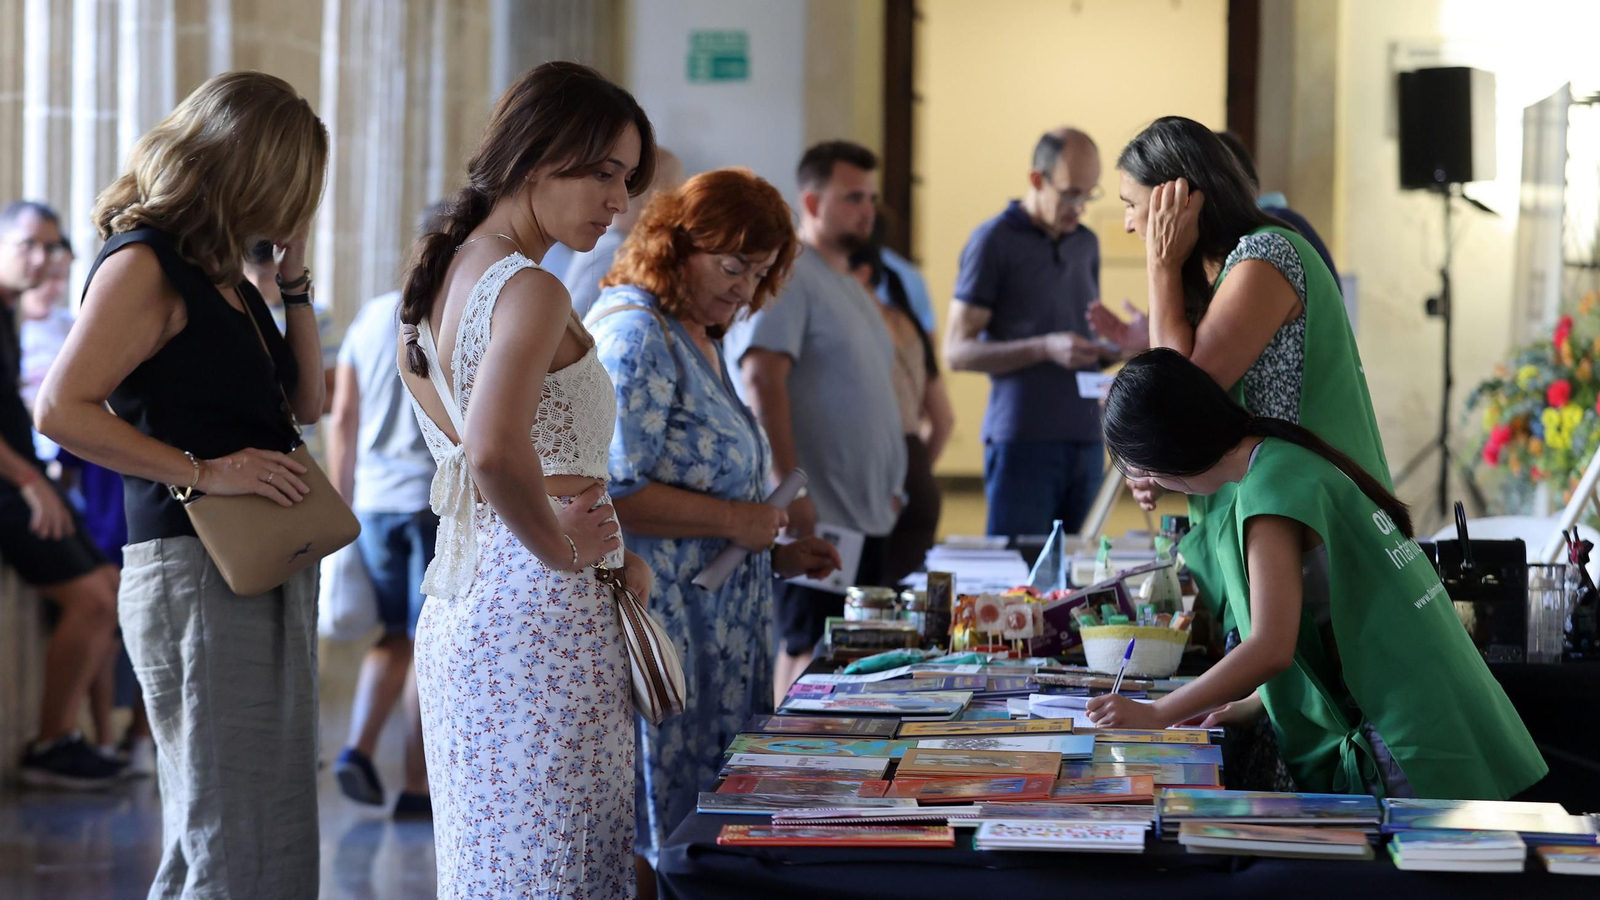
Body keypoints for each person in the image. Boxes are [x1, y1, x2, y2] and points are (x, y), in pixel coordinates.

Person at [35, 72, 330, 895]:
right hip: (196, 567)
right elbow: (62, 408)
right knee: (229, 835)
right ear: (250, 171)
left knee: (255, 822)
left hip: (257, 560)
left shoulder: (222, 274)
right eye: (292, 187)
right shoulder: (146, 263)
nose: (295, 205)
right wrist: (207, 472)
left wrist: (293, 283)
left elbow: (305, 401)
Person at [395, 61, 656, 899]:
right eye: (606, 173)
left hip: (467, 606)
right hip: (539, 616)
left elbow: (480, 452)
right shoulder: (531, 288)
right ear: (539, 156)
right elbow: (493, 453)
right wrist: (568, 552)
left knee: (497, 867)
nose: (620, 202)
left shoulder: (443, 273)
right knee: (565, 868)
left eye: (628, 179)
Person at [1086, 349, 1547, 800]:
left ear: (1170, 451)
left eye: (1147, 472)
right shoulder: (1283, 454)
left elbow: (1270, 648)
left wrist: (1157, 712)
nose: (1157, 487)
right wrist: (1254, 703)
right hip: (1441, 699)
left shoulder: (1267, 491)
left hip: (1410, 725)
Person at [587, 168, 842, 878]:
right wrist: (739, 517)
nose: (745, 290)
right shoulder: (638, 335)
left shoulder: (695, 332)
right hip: (667, 630)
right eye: (732, 267)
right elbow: (608, 490)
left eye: (758, 275)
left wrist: (774, 554)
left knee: (709, 830)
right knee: (662, 836)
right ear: (676, 246)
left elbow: (703, 497)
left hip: (718, 630)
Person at [724, 141, 908, 701]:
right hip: (819, 514)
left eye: (870, 198)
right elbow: (761, 378)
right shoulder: (794, 275)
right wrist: (789, 485)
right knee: (808, 645)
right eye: (852, 197)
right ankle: (789, 776)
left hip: (862, 512)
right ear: (811, 199)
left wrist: (889, 486)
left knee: (848, 653)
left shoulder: (847, 281)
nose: (867, 210)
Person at [325, 206, 444, 820]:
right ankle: (418, 785)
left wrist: (341, 501)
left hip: (371, 501)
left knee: (394, 636)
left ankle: (358, 748)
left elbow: (341, 417)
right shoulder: (449, 316)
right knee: (429, 644)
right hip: (429, 501)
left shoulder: (373, 315)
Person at [0, 201, 123, 790]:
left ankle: (76, 736)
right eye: (29, 244)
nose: (43, 259)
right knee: (93, 601)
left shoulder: (11, 312)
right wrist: (29, 481)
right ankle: (51, 742)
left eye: (51, 247)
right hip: (11, 489)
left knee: (107, 590)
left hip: (29, 480)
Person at [944, 128, 1116, 538]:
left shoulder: (1085, 244)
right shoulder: (993, 242)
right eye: (1071, 194)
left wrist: (1119, 346)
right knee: (1019, 580)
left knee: (1082, 579)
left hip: (1089, 438)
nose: (1080, 209)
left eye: (1089, 195)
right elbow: (956, 351)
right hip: (1023, 441)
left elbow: (1078, 339)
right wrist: (1044, 347)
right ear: (1037, 180)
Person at [847, 233, 954, 583]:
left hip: (870, 471)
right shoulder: (910, 324)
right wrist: (916, 469)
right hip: (917, 473)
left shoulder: (857, 328)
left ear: (861, 275)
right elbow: (944, 419)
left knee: (860, 608)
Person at [551, 147, 686, 319]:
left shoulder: (611, 240)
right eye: (673, 200)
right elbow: (574, 317)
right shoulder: (616, 248)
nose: (678, 216)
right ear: (654, 203)